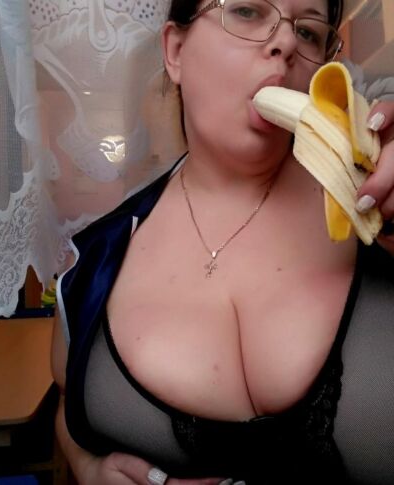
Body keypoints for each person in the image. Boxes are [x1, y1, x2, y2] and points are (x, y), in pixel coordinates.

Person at [51, 0, 394, 483]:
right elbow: (68, 404)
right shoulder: (96, 257)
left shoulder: (376, 203)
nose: (286, 42)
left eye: (309, 32)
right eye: (248, 10)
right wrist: (87, 468)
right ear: (175, 51)